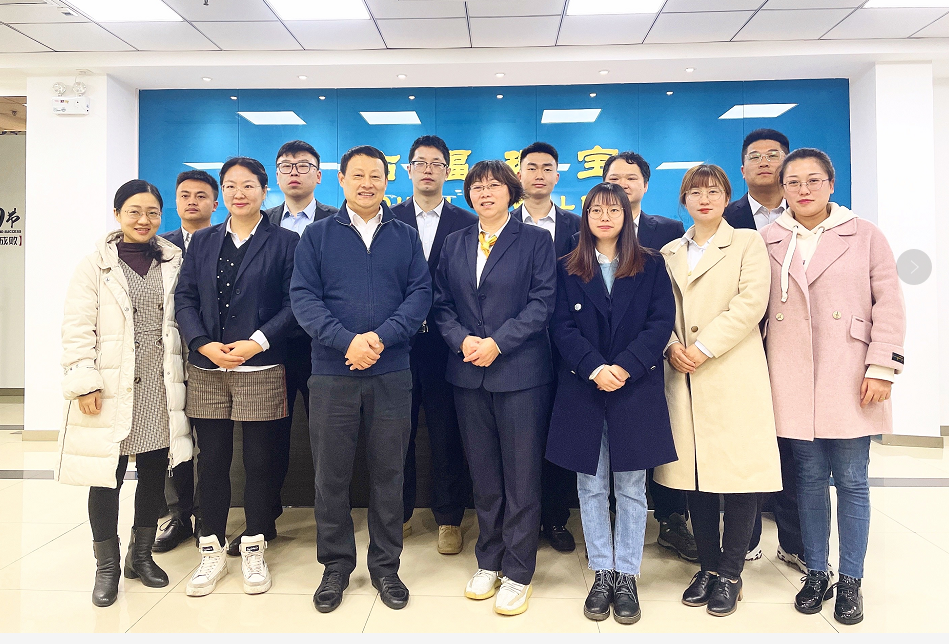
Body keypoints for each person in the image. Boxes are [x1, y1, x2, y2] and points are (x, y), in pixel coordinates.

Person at [763, 148, 905, 625]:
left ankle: (851, 579)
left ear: (831, 183)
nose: (803, 190)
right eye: (793, 182)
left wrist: (882, 366)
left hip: (850, 372)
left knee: (852, 480)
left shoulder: (864, 234)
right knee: (806, 479)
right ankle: (816, 572)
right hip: (791, 374)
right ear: (783, 189)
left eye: (813, 180)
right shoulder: (768, 238)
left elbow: (888, 301)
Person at [291, 145, 431, 614]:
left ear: (388, 181)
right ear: (342, 181)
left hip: (392, 371)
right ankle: (335, 566)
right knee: (330, 475)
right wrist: (346, 341)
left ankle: (386, 567)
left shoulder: (405, 235)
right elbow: (304, 299)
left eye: (376, 175)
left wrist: (379, 339)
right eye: (358, 175)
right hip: (332, 373)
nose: (367, 183)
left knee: (389, 473)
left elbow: (420, 295)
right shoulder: (316, 236)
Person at [546, 182, 677, 625]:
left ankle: (627, 575)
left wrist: (623, 367)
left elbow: (661, 322)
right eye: (596, 210)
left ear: (626, 216)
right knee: (591, 485)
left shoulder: (651, 264)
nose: (604, 217)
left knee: (632, 487)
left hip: (634, 386)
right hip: (583, 386)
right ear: (585, 217)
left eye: (613, 210)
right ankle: (602, 571)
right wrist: (594, 368)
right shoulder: (567, 266)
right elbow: (560, 326)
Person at [58, 180, 192, 607]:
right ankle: (107, 566)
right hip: (111, 386)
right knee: (107, 477)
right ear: (117, 214)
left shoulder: (173, 261)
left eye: (152, 212)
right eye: (134, 211)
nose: (143, 220)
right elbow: (77, 327)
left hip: (158, 383)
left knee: (153, 474)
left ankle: (141, 556)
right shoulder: (94, 265)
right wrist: (85, 381)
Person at [655, 164, 781, 617]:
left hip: (730, 370)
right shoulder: (670, 251)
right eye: (695, 192)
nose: (704, 199)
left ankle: (730, 572)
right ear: (683, 200)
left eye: (713, 191)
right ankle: (707, 566)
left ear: (727, 197)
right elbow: (658, 310)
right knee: (695, 474)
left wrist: (703, 347)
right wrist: (672, 346)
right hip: (683, 374)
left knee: (739, 474)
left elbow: (751, 303)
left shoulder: (747, 242)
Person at [432, 160, 556, 616]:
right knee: (483, 475)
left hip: (520, 373)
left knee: (521, 477)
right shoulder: (455, 241)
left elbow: (543, 302)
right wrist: (462, 340)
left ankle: (519, 570)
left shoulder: (536, 241)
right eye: (477, 187)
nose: (485, 193)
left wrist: (498, 343)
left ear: (511, 192)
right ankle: (489, 560)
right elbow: (440, 303)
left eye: (494, 186)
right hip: (467, 372)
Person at [175, 157, 299, 597]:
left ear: (265, 190)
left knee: (260, 462)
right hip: (208, 367)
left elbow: (295, 303)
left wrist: (257, 342)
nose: (238, 193)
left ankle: (254, 545)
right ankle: (209, 548)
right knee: (211, 461)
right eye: (230, 186)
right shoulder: (203, 240)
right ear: (222, 193)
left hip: (261, 365)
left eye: (248, 185)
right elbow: (185, 298)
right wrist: (202, 343)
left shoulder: (285, 241)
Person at [219, 140, 339, 558]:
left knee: (328, 436)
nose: (294, 173)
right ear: (275, 177)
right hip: (272, 345)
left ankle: (332, 522)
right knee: (270, 437)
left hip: (327, 345)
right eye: (286, 166)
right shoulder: (260, 221)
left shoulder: (337, 220)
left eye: (303, 166)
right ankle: (263, 519)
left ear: (319, 175)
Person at [602, 151, 696, 563]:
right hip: (601, 363)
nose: (622, 184)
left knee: (655, 444)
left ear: (644, 184)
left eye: (631, 178)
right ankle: (609, 532)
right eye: (614, 178)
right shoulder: (586, 235)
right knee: (607, 452)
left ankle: (672, 522)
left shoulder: (669, 230)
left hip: (652, 357)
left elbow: (670, 300)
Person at [722, 129, 806, 569]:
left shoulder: (809, 215)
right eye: (754, 156)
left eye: (773, 155)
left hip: (795, 348)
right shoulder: (726, 215)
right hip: (741, 346)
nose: (764, 162)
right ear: (742, 169)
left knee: (793, 448)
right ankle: (746, 536)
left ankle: (794, 542)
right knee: (745, 442)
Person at [391, 135, 476, 554]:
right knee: (397, 433)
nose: (427, 169)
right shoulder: (388, 219)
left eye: (436, 163)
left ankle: (449, 519)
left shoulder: (467, 222)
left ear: (448, 170)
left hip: (447, 345)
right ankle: (401, 513)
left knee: (446, 434)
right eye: (420, 163)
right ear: (408, 170)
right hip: (396, 345)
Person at [510, 141, 580, 553]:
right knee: (521, 439)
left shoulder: (577, 226)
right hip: (516, 348)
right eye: (531, 167)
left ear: (557, 175)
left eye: (547, 167)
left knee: (559, 432)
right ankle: (521, 520)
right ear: (518, 174)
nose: (539, 174)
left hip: (566, 346)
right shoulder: (501, 224)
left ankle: (555, 517)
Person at [153, 169, 218, 554]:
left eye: (200, 195)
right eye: (184, 195)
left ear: (215, 203)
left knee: (209, 441)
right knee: (171, 436)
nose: (192, 201)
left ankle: (207, 515)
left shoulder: (225, 241)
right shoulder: (158, 246)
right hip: (166, 357)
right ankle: (177, 514)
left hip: (212, 354)